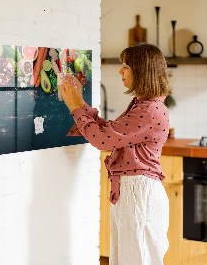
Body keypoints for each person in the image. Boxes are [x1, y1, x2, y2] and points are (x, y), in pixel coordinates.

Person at [59, 43, 171, 265]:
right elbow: (110, 132)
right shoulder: (144, 105)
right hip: (134, 192)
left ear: (142, 71)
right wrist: (80, 102)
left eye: (126, 66)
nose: (120, 71)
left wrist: (74, 107)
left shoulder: (148, 110)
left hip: (139, 194)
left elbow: (102, 140)